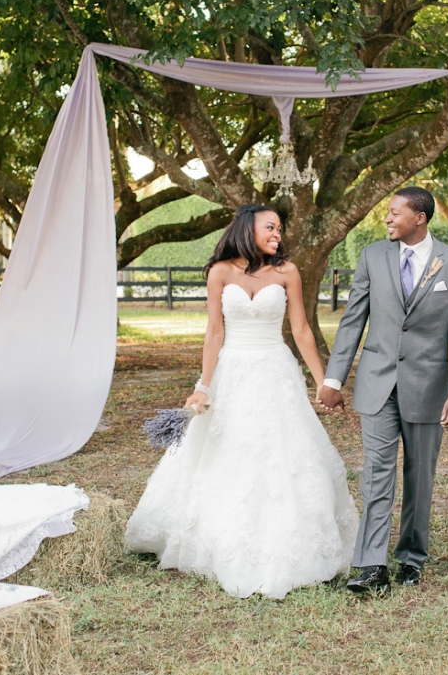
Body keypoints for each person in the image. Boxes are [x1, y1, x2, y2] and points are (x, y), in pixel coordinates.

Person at [125, 204, 358, 599]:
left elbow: (300, 329)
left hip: (275, 371)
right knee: (226, 452)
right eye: (270, 227)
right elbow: (214, 332)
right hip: (231, 373)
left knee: (281, 453)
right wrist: (204, 386)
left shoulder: (287, 272)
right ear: (246, 227)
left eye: (280, 229)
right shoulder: (220, 272)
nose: (278, 234)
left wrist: (324, 382)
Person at [319, 187, 448, 595]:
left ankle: (411, 557)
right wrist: (334, 379)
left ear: (420, 217)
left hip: (429, 387)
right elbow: (353, 319)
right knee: (376, 473)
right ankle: (371, 564)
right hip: (377, 383)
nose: (387, 219)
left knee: (419, 475)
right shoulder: (373, 256)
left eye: (395, 213)